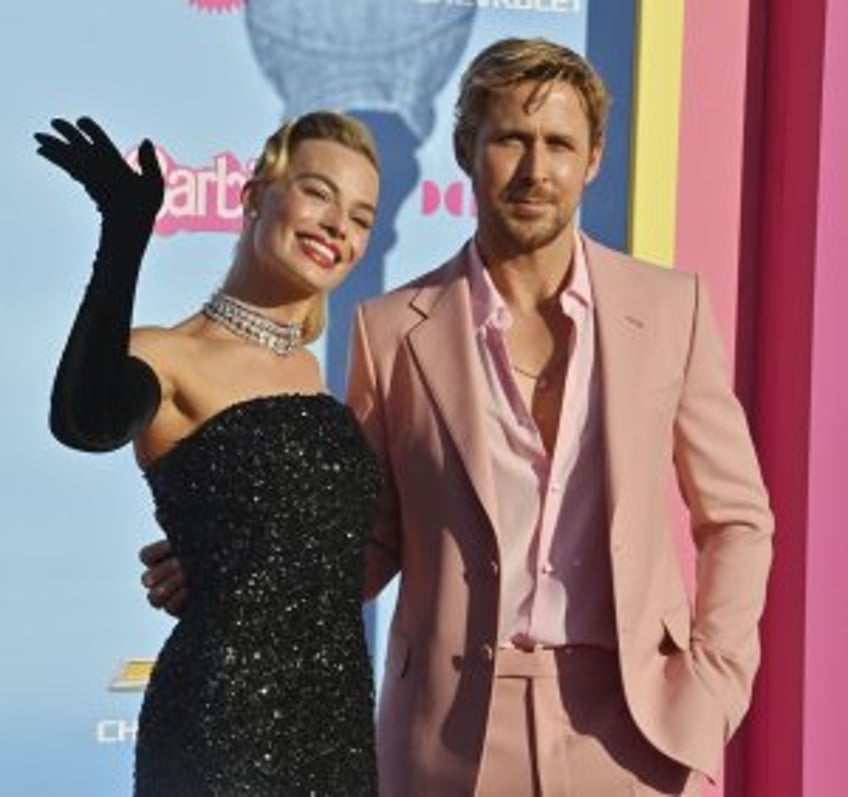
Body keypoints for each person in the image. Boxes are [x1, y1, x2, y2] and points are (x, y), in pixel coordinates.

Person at [144, 37, 774, 796]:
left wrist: (714, 682)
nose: (536, 170)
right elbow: (365, 535)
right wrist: (242, 564)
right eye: (511, 139)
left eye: (559, 144)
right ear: (465, 150)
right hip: (449, 734)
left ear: (594, 159)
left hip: (634, 728)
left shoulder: (670, 309)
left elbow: (737, 517)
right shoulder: (391, 330)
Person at [37, 112, 382, 795]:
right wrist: (124, 234)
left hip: (338, 732)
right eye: (317, 192)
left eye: (360, 216)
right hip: (221, 730)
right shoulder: (169, 355)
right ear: (255, 197)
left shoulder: (322, 376)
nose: (337, 224)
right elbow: (86, 420)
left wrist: (228, 556)